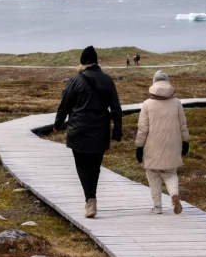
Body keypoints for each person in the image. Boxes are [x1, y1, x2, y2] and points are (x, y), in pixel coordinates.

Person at [55, 46, 123, 218]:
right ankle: (91, 198)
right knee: (95, 167)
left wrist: (57, 124)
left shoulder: (75, 80)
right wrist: (117, 132)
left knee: (82, 166)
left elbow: (65, 105)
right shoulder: (107, 80)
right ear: (96, 61)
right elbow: (116, 108)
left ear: (82, 62)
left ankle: (90, 199)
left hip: (79, 130)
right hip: (100, 131)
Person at [135, 71, 190, 215]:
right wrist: (186, 142)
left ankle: (157, 206)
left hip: (152, 145)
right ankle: (173, 195)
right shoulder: (177, 102)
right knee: (170, 172)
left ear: (153, 83)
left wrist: (139, 146)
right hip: (173, 143)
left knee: (152, 173)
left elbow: (142, 129)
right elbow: (183, 125)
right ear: (169, 82)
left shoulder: (147, 104)